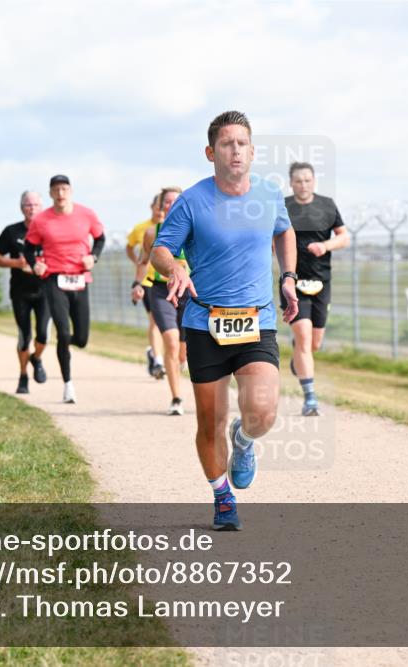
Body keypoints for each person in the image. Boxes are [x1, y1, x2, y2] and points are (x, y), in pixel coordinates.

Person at [151, 110, 298, 531]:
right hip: (205, 324)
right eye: (226, 143)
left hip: (256, 320)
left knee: (263, 411)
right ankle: (222, 498)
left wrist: (288, 277)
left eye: (242, 143)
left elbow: (284, 231)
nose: (235, 150)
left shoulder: (269, 195)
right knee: (209, 422)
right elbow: (161, 250)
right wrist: (174, 269)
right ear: (210, 152)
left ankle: (244, 441)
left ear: (252, 151)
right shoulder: (192, 201)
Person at [24, 174, 105, 404]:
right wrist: (35, 264)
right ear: (50, 193)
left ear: (71, 191)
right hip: (54, 279)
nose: (60, 194)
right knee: (62, 331)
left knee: (81, 338)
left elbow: (100, 239)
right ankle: (68, 385)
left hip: (80, 278)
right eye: (56, 190)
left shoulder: (86, 214)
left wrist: (93, 257)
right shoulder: (41, 220)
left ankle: (51, 350)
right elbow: (29, 248)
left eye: (64, 189)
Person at [283, 162, 349, 416]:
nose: (303, 185)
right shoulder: (284, 206)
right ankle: (310, 399)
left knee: (314, 343)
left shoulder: (327, 205)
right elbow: (270, 236)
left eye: (307, 180)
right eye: (298, 181)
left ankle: (298, 359)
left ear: (314, 181)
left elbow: (344, 236)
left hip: (322, 281)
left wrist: (325, 246)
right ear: (291, 183)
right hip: (293, 281)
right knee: (303, 336)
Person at [133, 186, 188, 415]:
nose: (171, 205)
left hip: (188, 291)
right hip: (160, 290)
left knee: (183, 351)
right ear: (161, 206)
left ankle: (179, 361)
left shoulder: (194, 229)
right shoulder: (151, 233)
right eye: (167, 201)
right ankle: (176, 398)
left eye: (176, 200)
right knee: (171, 343)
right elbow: (144, 261)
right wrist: (137, 284)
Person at [0, 190, 50, 394]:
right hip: (20, 291)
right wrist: (16, 263)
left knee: (43, 334)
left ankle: (37, 358)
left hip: (45, 290)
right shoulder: (12, 231)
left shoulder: (50, 230)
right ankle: (23, 375)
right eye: (28, 205)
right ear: (21, 207)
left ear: (41, 207)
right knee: (24, 336)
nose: (32, 208)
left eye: (35, 205)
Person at [126, 194, 166, 379]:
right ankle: (158, 360)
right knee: (154, 321)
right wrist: (137, 261)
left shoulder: (174, 227)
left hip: (169, 281)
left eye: (163, 207)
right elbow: (129, 247)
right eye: (158, 207)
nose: (160, 211)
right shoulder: (141, 228)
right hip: (148, 281)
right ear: (152, 206)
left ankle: (155, 352)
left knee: (171, 326)